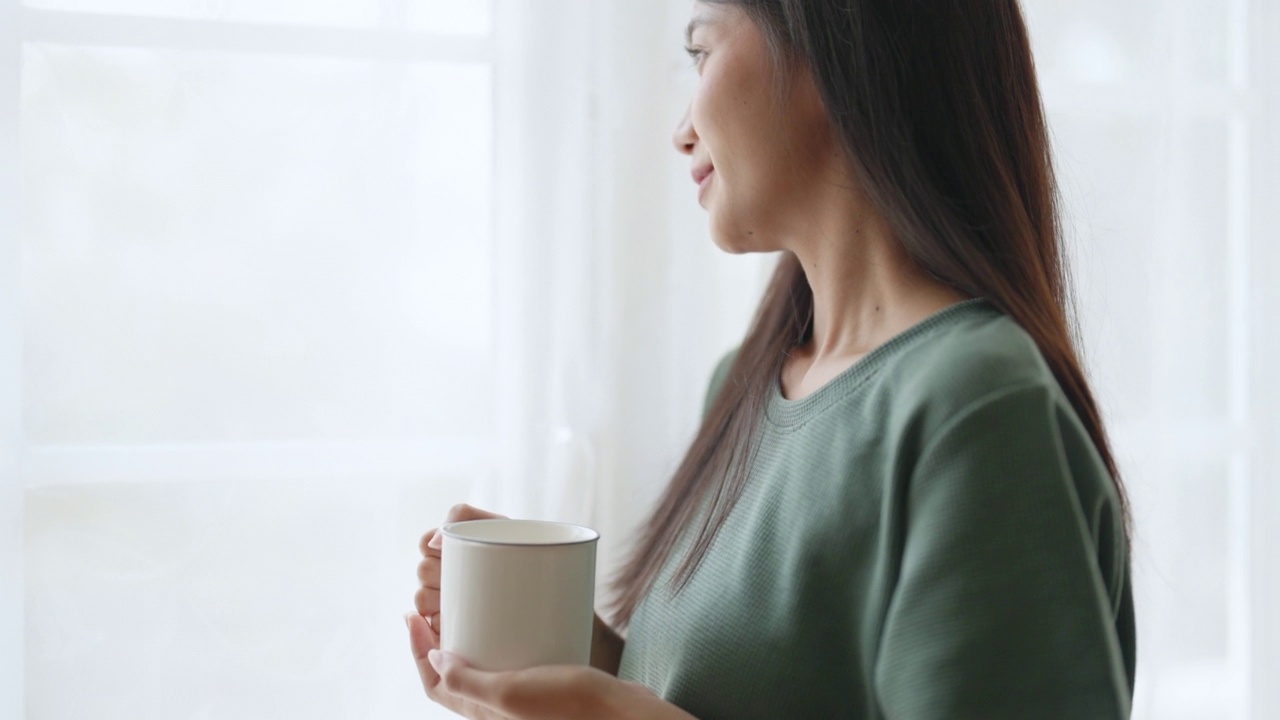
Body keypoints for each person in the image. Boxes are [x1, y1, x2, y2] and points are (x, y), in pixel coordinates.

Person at [405, 0, 1137, 717]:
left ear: (831, 40)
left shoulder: (973, 403)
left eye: (701, 52)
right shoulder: (743, 386)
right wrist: (568, 656)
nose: (679, 132)